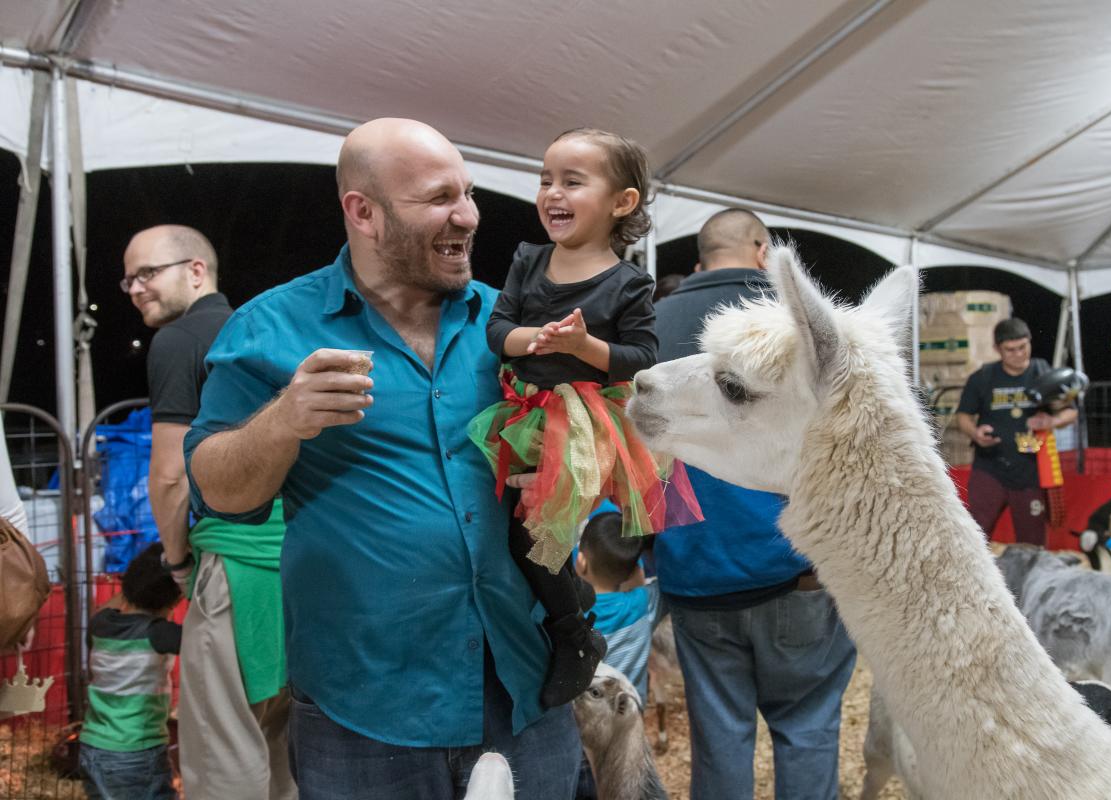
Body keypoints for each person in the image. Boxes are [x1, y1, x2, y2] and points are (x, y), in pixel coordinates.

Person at [184, 118, 581, 799]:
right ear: (362, 212)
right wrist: (283, 420)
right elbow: (219, 490)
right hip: (365, 706)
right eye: (439, 198)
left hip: (523, 682)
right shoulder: (270, 327)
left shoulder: (511, 324)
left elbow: (590, 465)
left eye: (469, 192)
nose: (468, 215)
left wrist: (570, 460)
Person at [468, 128, 699, 708]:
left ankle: (572, 632)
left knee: (541, 532)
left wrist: (583, 346)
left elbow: (642, 359)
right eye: (546, 179)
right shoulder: (529, 259)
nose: (552, 193)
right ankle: (569, 604)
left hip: (586, 421)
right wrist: (535, 339)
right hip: (523, 407)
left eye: (572, 181)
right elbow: (497, 331)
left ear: (622, 202)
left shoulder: (628, 283)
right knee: (511, 527)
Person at [651, 208, 857, 800]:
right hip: (799, 570)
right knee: (808, 727)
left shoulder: (649, 326)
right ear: (764, 254)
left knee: (719, 742)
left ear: (699, 263)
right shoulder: (795, 322)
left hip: (696, 570)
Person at [122, 225, 295, 800]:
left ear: (196, 271)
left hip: (234, 565)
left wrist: (176, 562)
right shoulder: (266, 324)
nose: (135, 288)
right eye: (129, 278)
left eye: (148, 273)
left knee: (223, 757)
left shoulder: (178, 339)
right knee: (286, 755)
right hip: (303, 565)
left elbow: (170, 475)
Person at [955, 318, 1078, 545]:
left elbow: (1071, 412)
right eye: (1010, 350)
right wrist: (976, 433)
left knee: (1033, 541)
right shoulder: (983, 377)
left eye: (1023, 347)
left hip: (1030, 469)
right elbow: (963, 416)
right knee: (976, 536)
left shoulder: (1042, 372)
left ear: (1029, 342)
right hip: (989, 467)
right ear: (997, 349)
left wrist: (1051, 420)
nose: (1019, 354)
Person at [78, 543, 182, 800]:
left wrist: (131, 585)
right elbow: (205, 638)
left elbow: (109, 606)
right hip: (137, 751)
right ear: (176, 598)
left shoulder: (99, 624)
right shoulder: (159, 633)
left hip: (92, 748)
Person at [575, 511, 663, 702]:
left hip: (586, 712)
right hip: (628, 710)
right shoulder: (643, 603)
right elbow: (666, 583)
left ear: (581, 563)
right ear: (634, 572)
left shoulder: (574, 613)